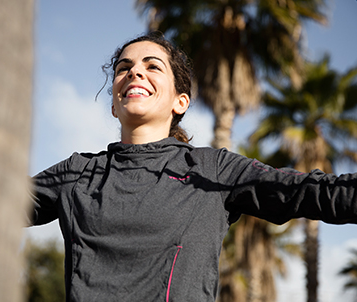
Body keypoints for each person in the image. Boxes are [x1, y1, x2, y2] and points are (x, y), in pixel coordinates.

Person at [29, 33, 357, 302]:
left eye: (152, 66)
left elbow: (314, 193)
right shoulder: (77, 173)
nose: (134, 72)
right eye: (123, 67)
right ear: (115, 104)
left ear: (180, 101)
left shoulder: (212, 168)